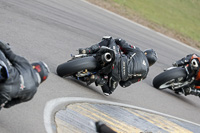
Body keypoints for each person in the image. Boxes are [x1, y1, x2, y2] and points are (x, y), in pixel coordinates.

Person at [79, 36, 157, 96]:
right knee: (108, 91)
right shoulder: (144, 75)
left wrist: (117, 43)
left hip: (116, 58)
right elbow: (124, 84)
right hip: (116, 76)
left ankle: (87, 50)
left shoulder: (139, 51)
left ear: (146, 53)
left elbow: (121, 42)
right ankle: (97, 78)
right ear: (151, 64)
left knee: (109, 39)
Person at [0, 40, 49, 109]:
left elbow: (8, 52)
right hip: (3, 95)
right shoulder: (32, 93)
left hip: (5, 74)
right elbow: (7, 105)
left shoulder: (27, 65)